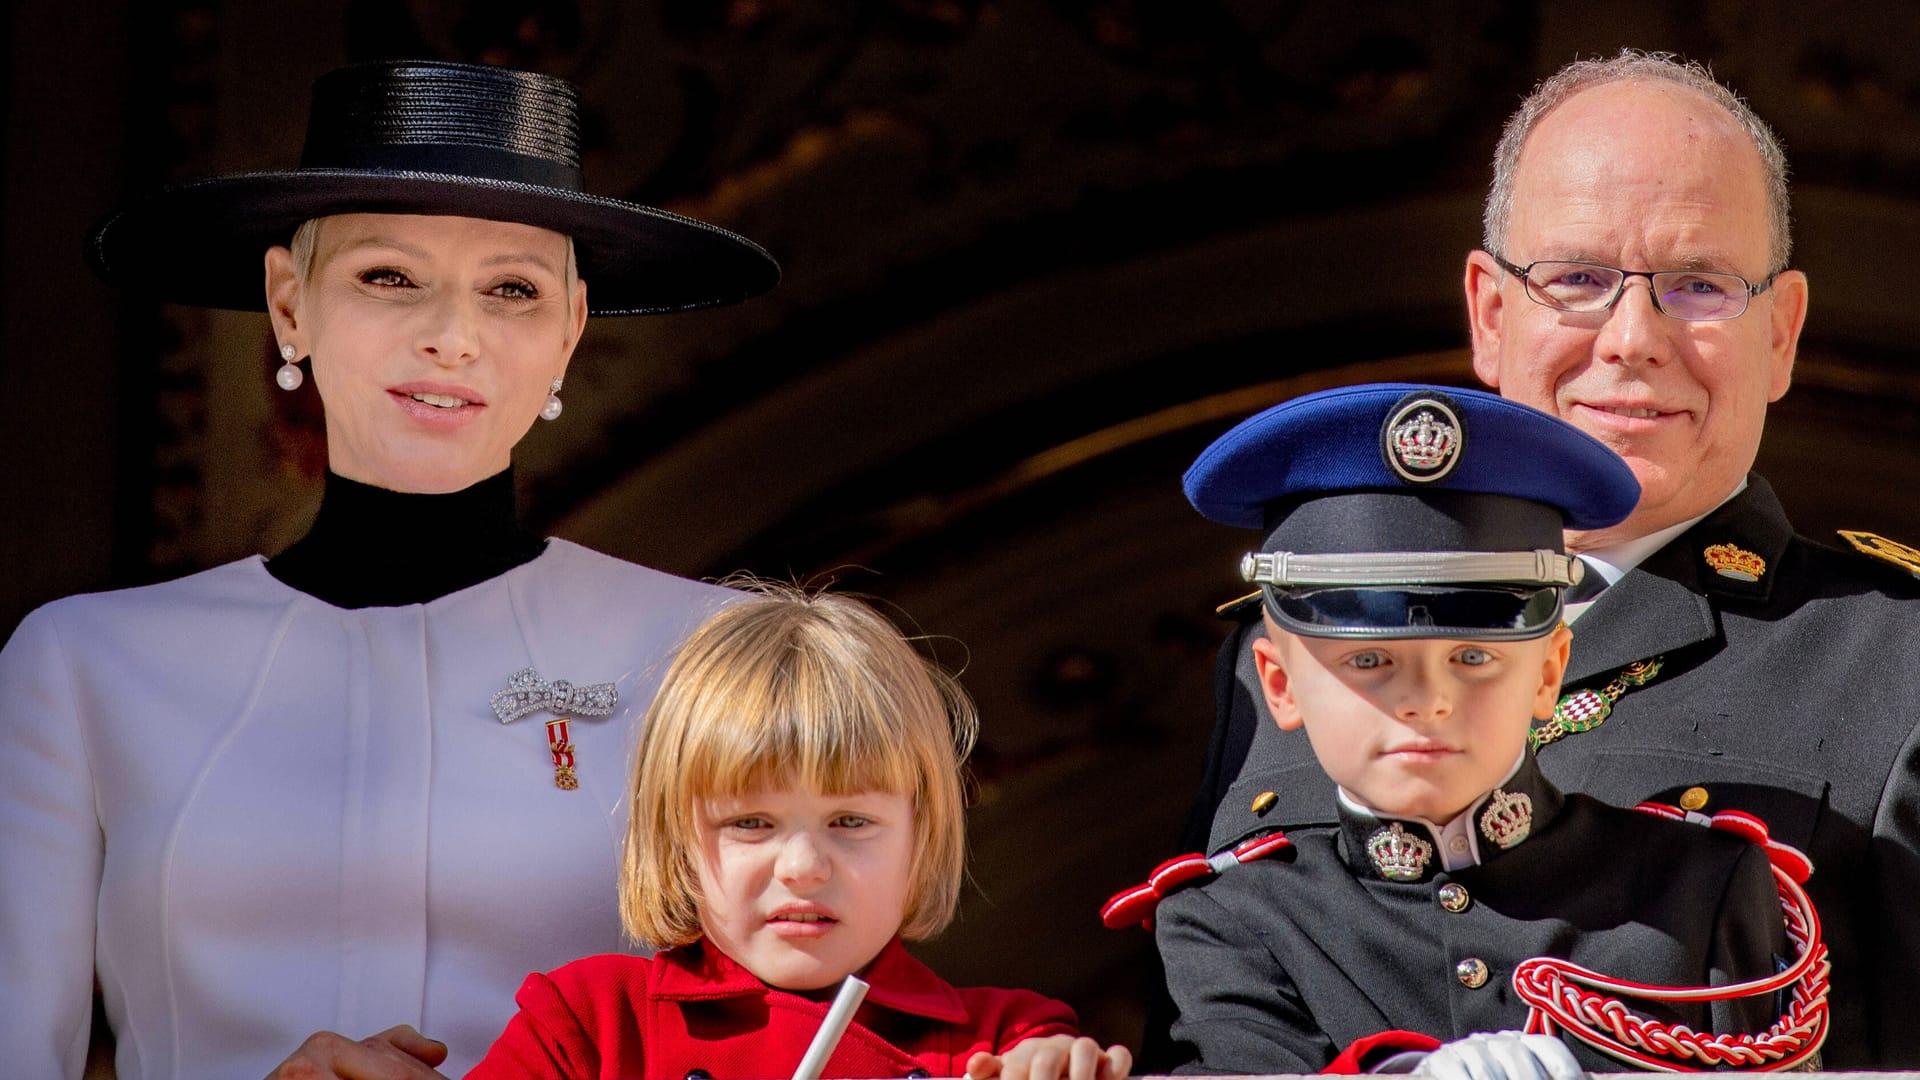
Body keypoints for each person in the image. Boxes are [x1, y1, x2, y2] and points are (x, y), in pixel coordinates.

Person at [0, 60, 782, 1079]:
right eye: (387, 276)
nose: (452, 336)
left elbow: (799, 1035)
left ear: (570, 331)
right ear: (289, 303)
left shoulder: (708, 655)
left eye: (512, 290)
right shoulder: (81, 666)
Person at [1182, 51, 1920, 1068]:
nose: (1632, 339)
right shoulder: (1291, 642)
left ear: (1783, 332)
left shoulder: (1896, 661)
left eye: (1698, 285)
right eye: (1577, 279)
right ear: (1491, 313)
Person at [1117, 383, 1826, 1075]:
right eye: (1369, 659)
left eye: (1473, 656)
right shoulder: (1232, 922)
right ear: (1279, 686)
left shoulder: (1698, 884)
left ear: (1548, 672)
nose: (1427, 700)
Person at [466, 583, 1134, 1080]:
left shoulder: (1003, 1041)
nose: (805, 866)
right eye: (751, 823)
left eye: (851, 821)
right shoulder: (591, 1023)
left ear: (920, 836)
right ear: (675, 838)